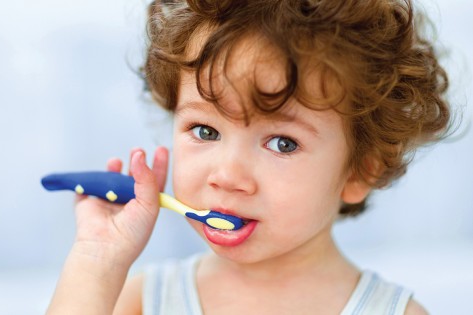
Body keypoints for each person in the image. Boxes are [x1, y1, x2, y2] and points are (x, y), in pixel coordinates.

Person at [47, 0, 452, 314]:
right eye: (206, 131)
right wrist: (96, 261)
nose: (227, 175)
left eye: (282, 143)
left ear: (361, 170)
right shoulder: (143, 301)